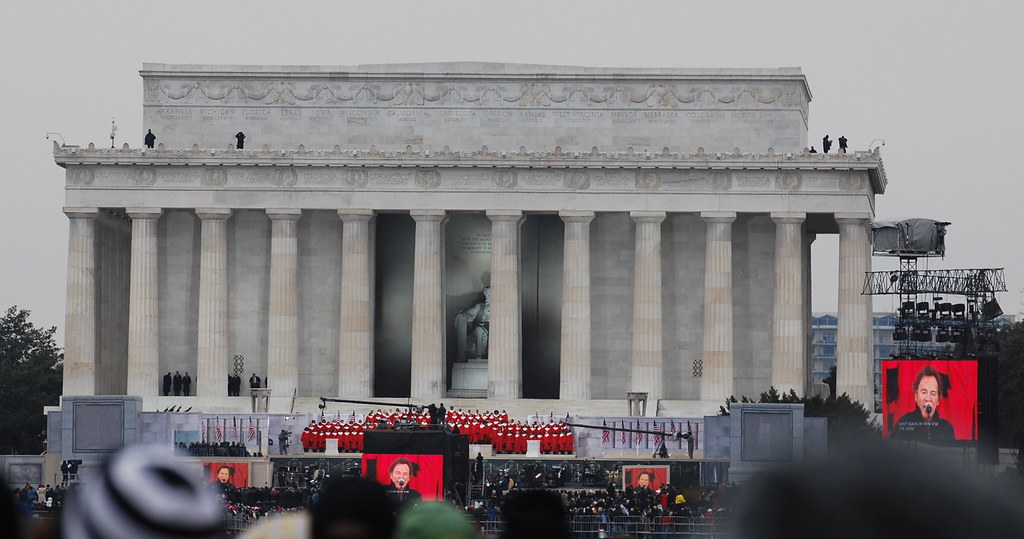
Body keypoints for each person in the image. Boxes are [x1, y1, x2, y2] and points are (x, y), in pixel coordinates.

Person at [891, 365, 955, 441]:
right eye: (924, 392)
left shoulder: (947, 428)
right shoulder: (905, 422)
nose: (928, 398)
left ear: (938, 400)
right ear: (916, 397)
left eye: (933, 393)